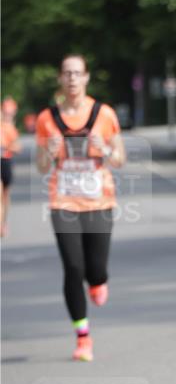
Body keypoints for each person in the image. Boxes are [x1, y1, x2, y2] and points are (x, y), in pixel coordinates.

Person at [35, 56, 126, 362]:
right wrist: (48, 154)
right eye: (67, 73)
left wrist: (106, 149)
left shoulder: (104, 114)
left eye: (77, 73)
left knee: (95, 270)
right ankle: (83, 337)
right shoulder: (47, 118)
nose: (72, 78)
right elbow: (40, 166)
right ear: (60, 79)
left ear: (86, 78)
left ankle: (98, 283)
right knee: (73, 268)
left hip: (99, 201)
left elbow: (119, 160)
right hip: (63, 202)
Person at [1, 97, 22, 237]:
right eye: (5, 112)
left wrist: (6, 147)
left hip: (6, 161)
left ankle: (4, 221)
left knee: (6, 194)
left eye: (10, 112)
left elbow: (18, 148)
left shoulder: (12, 129)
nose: (8, 114)